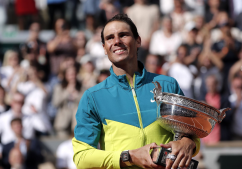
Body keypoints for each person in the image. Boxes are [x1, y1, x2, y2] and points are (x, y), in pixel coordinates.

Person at [72, 14, 200, 169]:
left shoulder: (168, 85)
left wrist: (188, 142)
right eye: (110, 38)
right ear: (104, 48)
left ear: (138, 40)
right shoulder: (92, 97)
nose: (117, 41)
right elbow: (82, 156)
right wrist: (129, 157)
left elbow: (191, 132)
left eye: (123, 35)